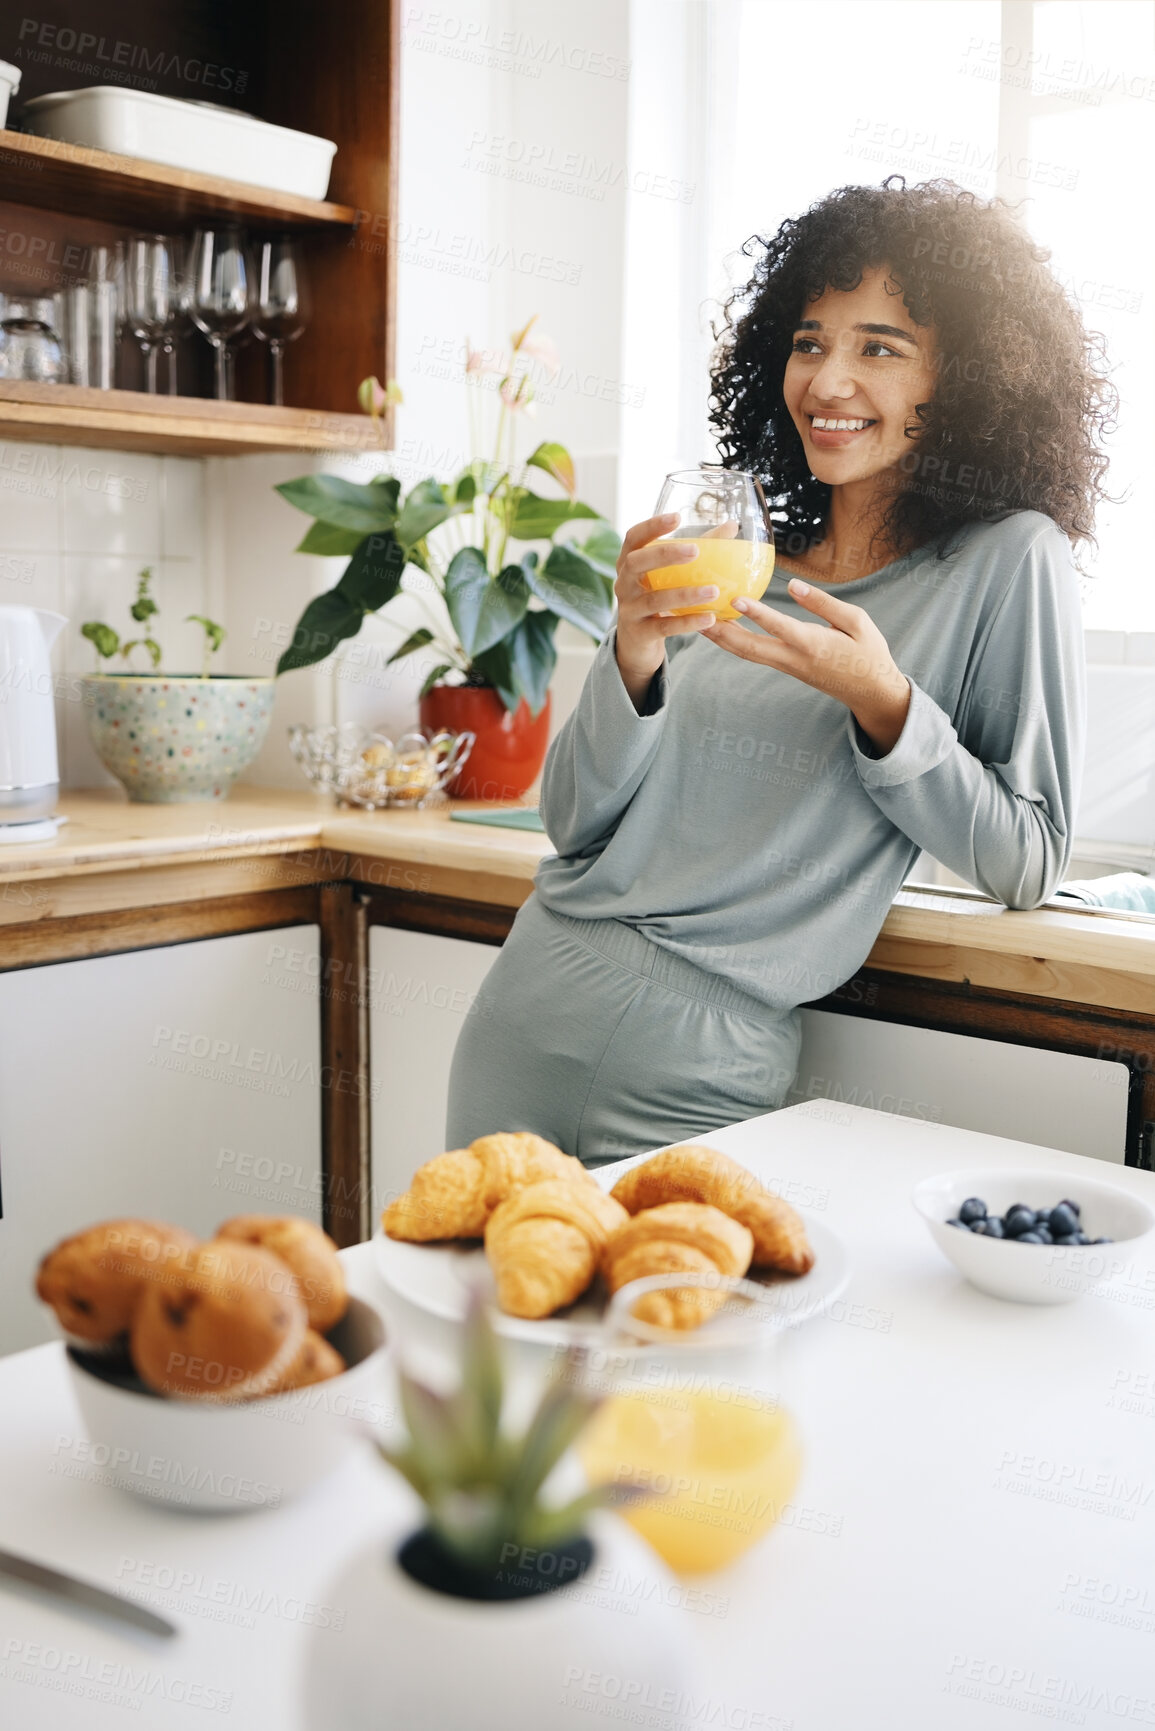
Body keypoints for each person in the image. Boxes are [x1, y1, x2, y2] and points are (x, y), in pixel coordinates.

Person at [446, 178, 1113, 1167]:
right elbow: (573, 825)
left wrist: (880, 699)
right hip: (531, 1002)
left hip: (703, 1060)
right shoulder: (738, 555)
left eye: (879, 348)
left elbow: (1028, 858)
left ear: (966, 379)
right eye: (810, 343)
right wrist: (631, 647)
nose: (828, 381)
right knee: (473, 1321)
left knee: (687, 1320)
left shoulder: (1008, 561)